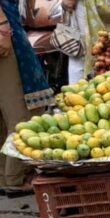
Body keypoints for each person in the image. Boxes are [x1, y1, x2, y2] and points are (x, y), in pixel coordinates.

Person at [0, 0, 54, 192]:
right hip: (6, 34)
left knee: (4, 112)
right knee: (19, 110)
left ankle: (5, 177)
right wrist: (4, 29)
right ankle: (16, 177)